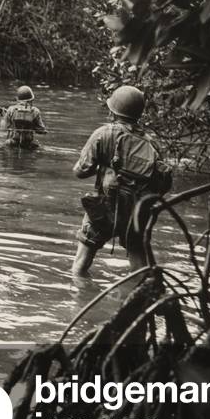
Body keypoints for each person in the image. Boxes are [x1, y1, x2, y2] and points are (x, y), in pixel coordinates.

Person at [71, 85, 172, 276]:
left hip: (103, 209)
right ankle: (141, 297)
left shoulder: (103, 134)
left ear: (113, 111)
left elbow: (80, 171)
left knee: (80, 264)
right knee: (139, 267)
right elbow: (162, 184)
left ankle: (80, 297)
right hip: (135, 212)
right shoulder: (152, 144)